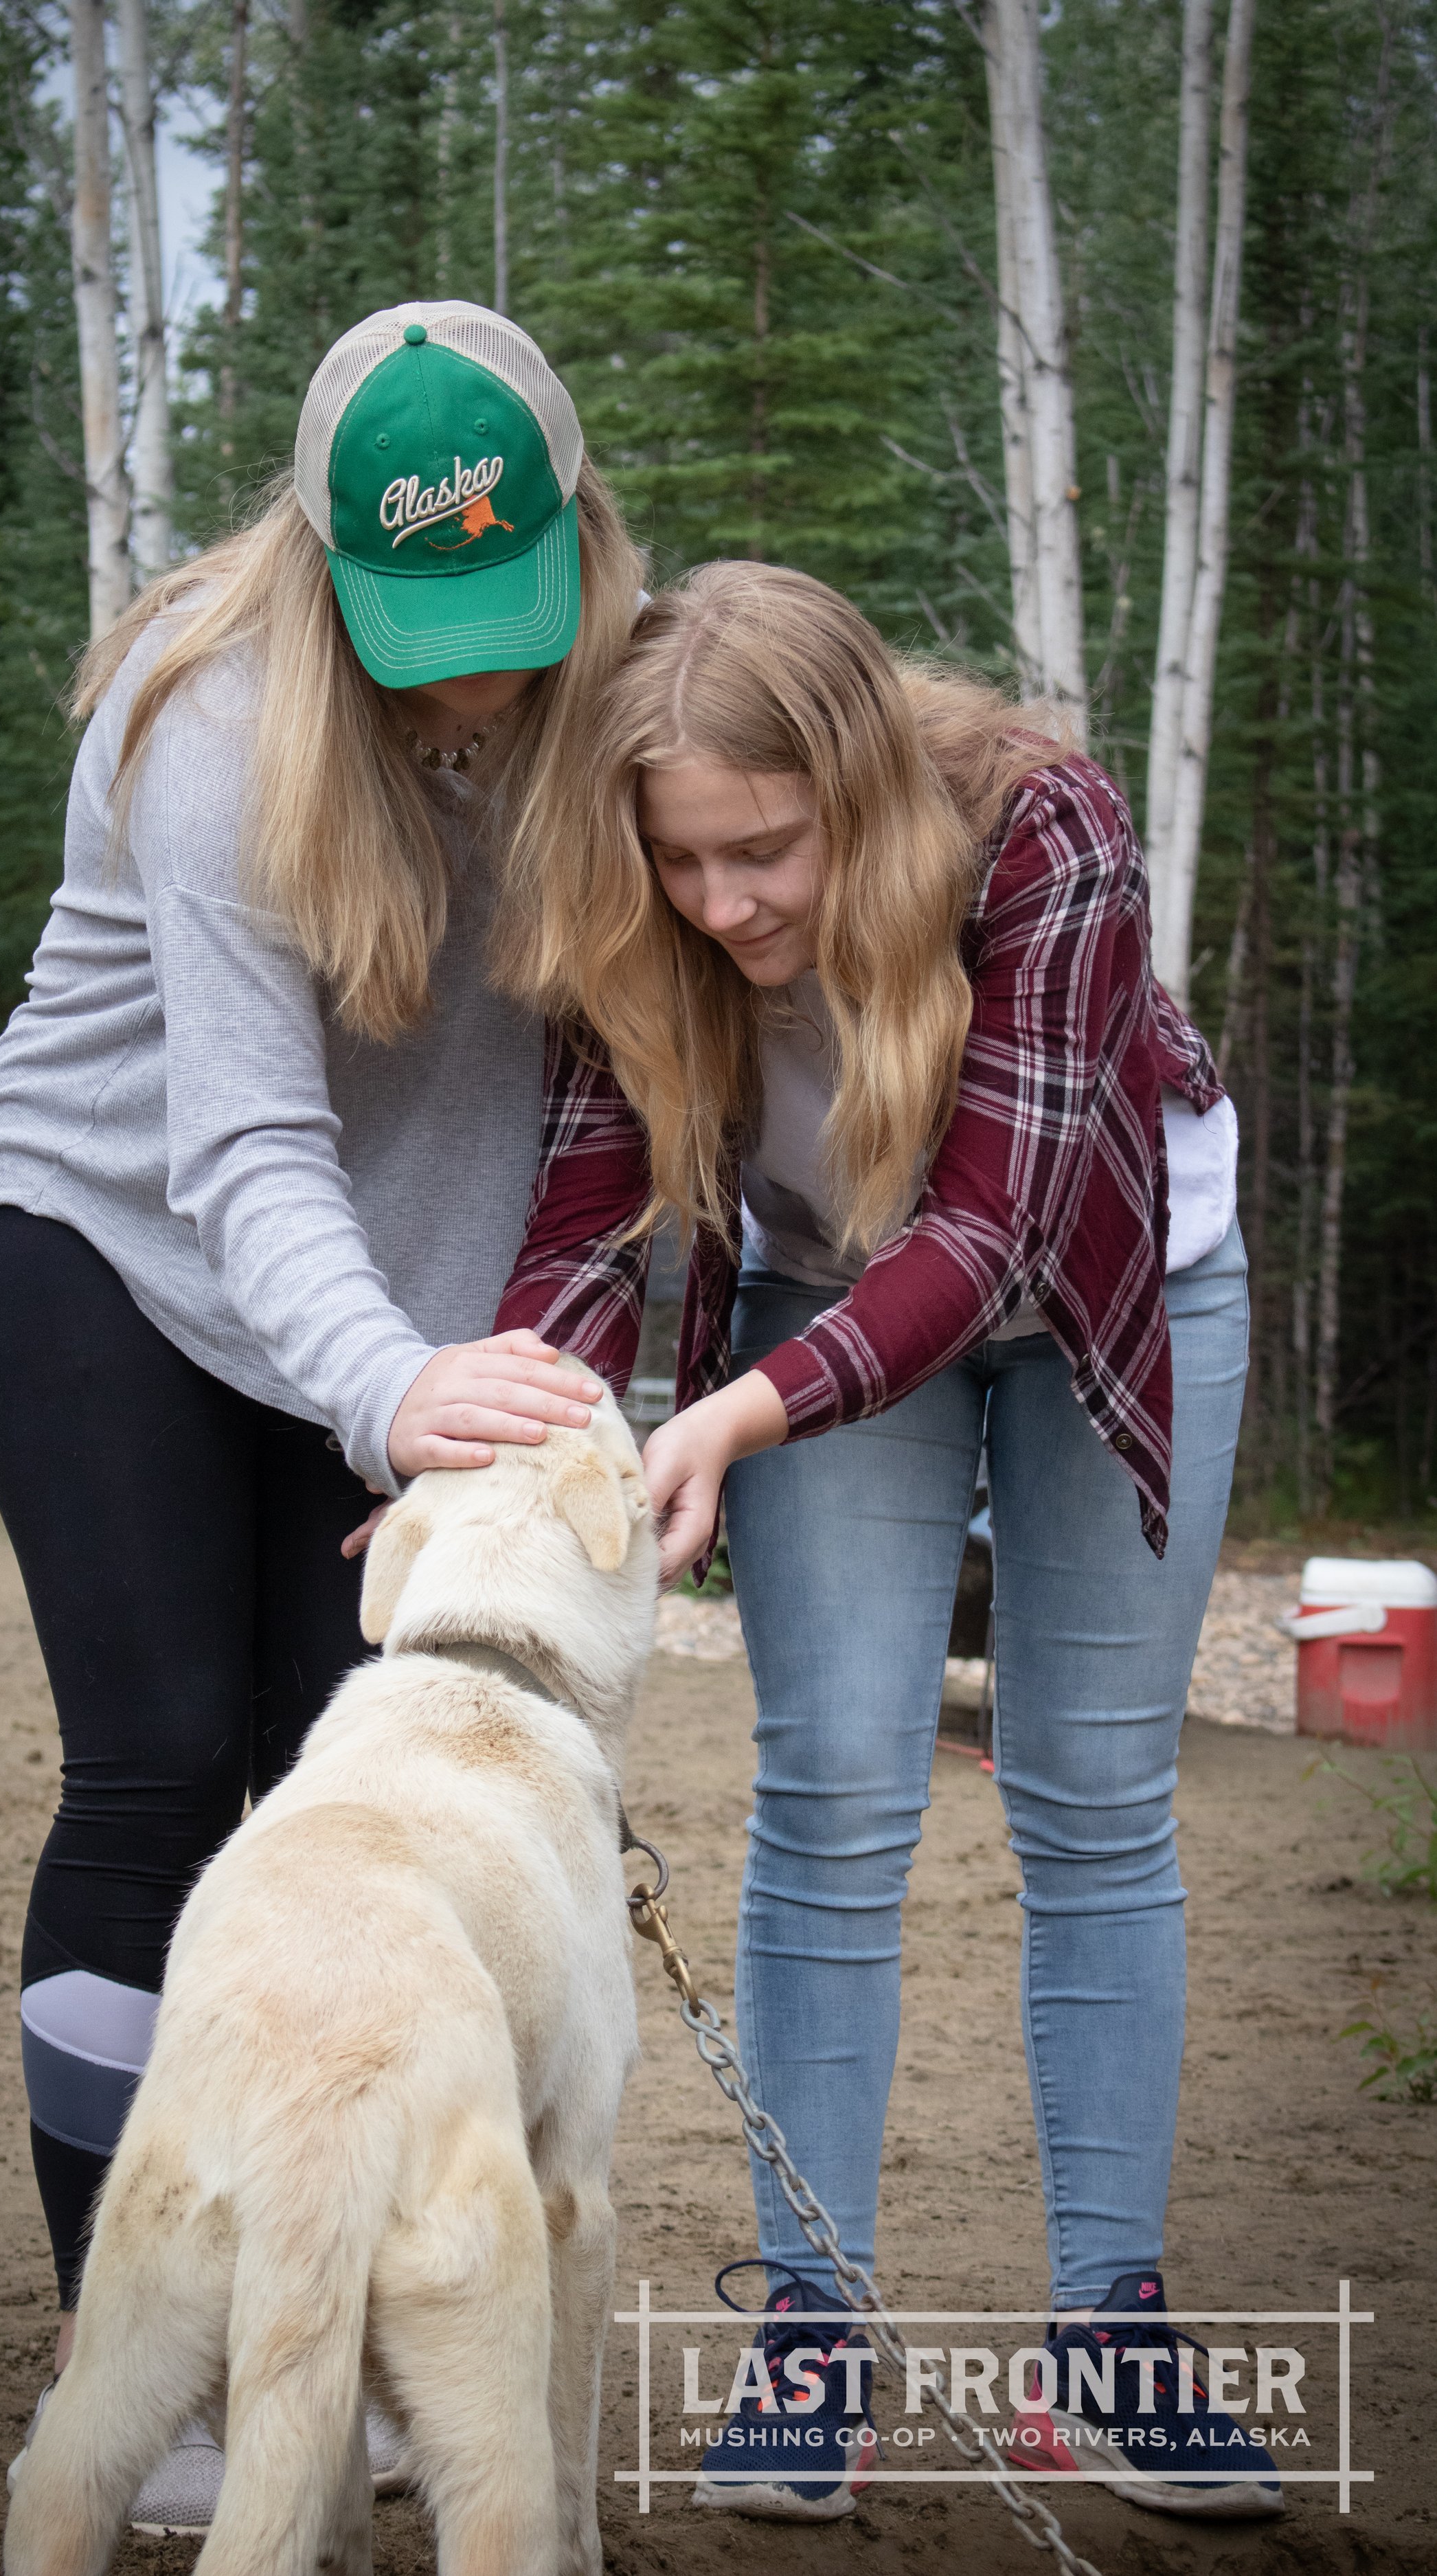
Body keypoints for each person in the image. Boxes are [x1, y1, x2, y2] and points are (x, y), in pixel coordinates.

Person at [0, 301, 646, 2532]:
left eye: (511, 611)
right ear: (327, 570)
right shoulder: (208, 715)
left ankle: (333, 2324)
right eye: (427, 624)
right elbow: (246, 1150)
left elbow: (612, 1098)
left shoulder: (618, 701)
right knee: (163, 1760)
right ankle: (128, 2358)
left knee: (342, 1803)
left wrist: (486, 1388)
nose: (480, 671)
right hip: (115, 1246)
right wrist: (399, 1398)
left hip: (403, 1325)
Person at [498, 561, 1280, 2524]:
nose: (722, 907)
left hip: (1113, 1281)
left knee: (1094, 1797)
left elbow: (996, 1230)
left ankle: (1108, 2343)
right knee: (831, 1783)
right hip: (825, 1298)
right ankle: (811, 2345)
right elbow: (590, 1220)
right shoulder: (645, 899)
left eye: (761, 853)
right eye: (681, 865)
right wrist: (505, 1441)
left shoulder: (1042, 825)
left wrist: (736, 1418)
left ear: (856, 783)